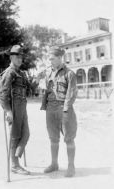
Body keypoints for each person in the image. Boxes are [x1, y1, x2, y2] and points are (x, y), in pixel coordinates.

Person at [40, 47, 77, 177]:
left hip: (63, 109)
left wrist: (66, 110)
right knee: (53, 138)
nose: (50, 61)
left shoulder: (69, 73)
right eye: (49, 58)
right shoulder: (47, 72)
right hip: (50, 109)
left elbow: (71, 93)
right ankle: (54, 163)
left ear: (60, 58)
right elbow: (44, 90)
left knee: (69, 138)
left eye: (52, 58)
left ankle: (71, 166)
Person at [0, 45, 30, 175]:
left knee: (26, 134)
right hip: (14, 110)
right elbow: (2, 94)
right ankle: (15, 165)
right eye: (17, 56)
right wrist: (8, 111)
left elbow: (28, 88)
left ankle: (16, 158)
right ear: (11, 57)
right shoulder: (9, 73)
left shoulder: (20, 73)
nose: (20, 59)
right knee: (15, 137)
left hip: (22, 108)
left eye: (21, 56)